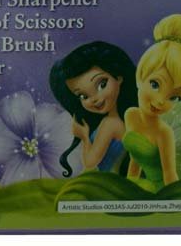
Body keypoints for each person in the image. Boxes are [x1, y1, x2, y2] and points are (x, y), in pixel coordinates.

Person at [123, 14, 181, 191]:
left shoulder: (164, 134)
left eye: (174, 97)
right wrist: (129, 184)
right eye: (155, 85)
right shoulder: (131, 115)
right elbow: (135, 160)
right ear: (141, 76)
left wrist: (174, 201)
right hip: (139, 188)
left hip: (160, 191)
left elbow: (170, 175)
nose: (160, 101)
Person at [49, 41, 137, 176]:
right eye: (83, 96)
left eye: (102, 84)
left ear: (118, 77)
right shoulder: (126, 120)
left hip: (107, 180)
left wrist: (84, 136)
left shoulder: (110, 123)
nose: (94, 99)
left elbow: (90, 162)